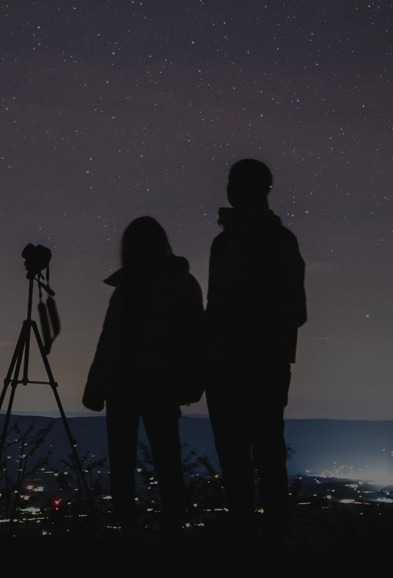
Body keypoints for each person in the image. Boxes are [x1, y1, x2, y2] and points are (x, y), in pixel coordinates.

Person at [204, 158, 307, 544]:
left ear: (264, 189)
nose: (235, 188)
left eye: (245, 182)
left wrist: (265, 346)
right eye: (233, 180)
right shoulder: (224, 242)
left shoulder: (278, 241)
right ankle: (245, 542)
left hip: (260, 365)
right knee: (235, 460)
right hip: (225, 366)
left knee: (265, 457)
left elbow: (293, 308)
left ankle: (272, 543)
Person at [82, 216, 204, 531]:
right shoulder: (124, 287)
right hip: (121, 386)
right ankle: (128, 532)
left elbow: (194, 337)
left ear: (161, 243)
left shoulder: (180, 283)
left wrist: (189, 383)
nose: (144, 246)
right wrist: (97, 385)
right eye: (139, 240)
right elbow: (108, 340)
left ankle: (173, 533)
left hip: (158, 386)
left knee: (166, 462)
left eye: (150, 240)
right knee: (122, 466)